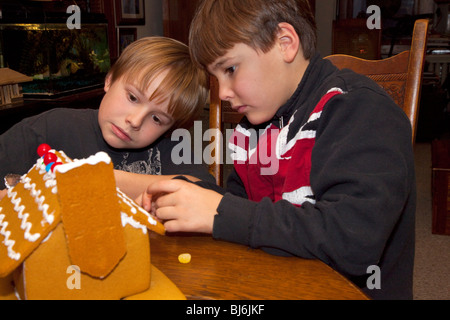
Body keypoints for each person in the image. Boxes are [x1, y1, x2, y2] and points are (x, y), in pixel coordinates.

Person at [139, 0, 417, 300]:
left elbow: (352, 241)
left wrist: (221, 213)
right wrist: (189, 201)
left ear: (285, 43)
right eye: (215, 78)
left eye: (230, 69)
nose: (222, 93)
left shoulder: (360, 109)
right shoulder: (253, 127)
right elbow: (247, 210)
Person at [0, 36, 214, 200]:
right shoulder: (49, 128)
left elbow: (208, 193)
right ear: (110, 80)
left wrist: (105, 181)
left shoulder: (169, 149)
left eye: (157, 119)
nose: (136, 120)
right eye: (132, 97)